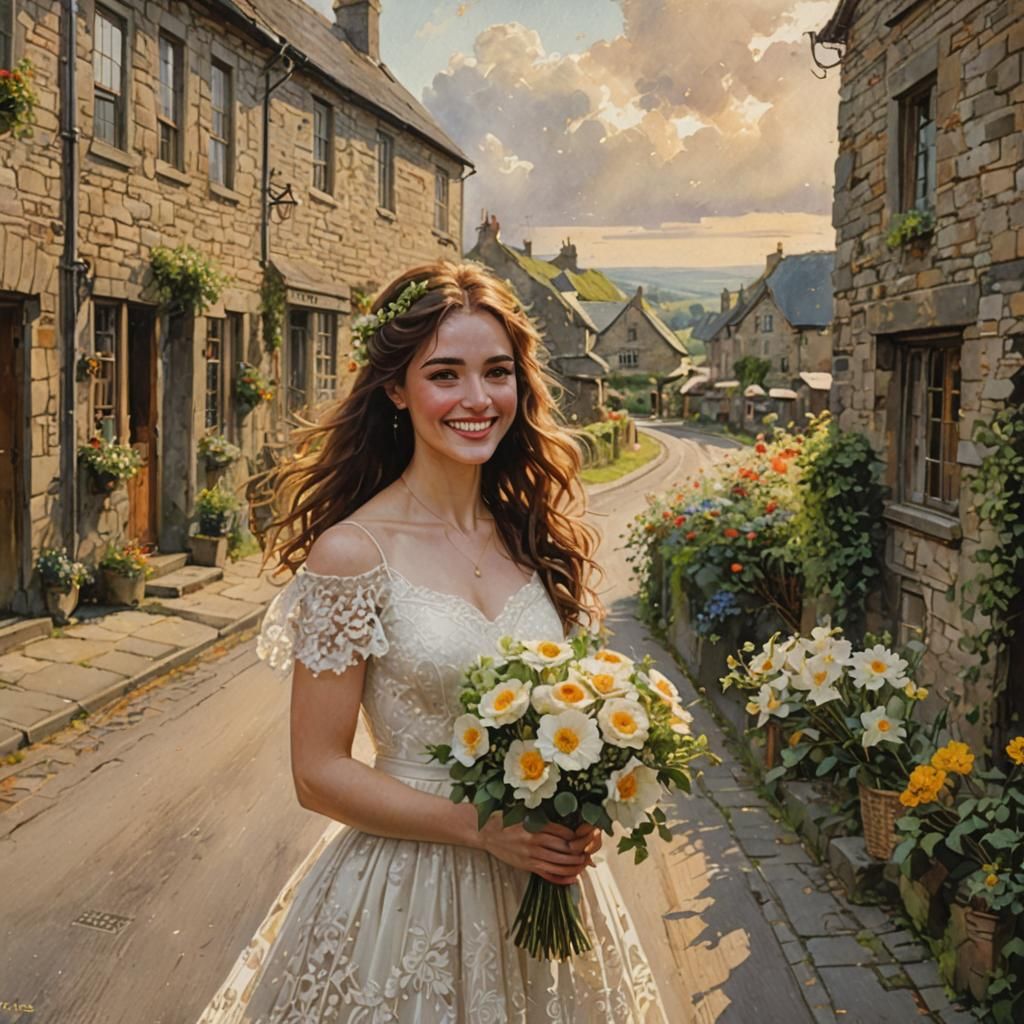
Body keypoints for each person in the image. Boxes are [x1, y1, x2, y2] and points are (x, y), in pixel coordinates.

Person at [195, 261, 668, 1023]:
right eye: (445, 375)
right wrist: (488, 831)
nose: (477, 400)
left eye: (497, 373)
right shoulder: (353, 554)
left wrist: (582, 796)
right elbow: (316, 773)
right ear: (396, 388)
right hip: (404, 898)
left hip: (541, 891)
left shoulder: (531, 538)